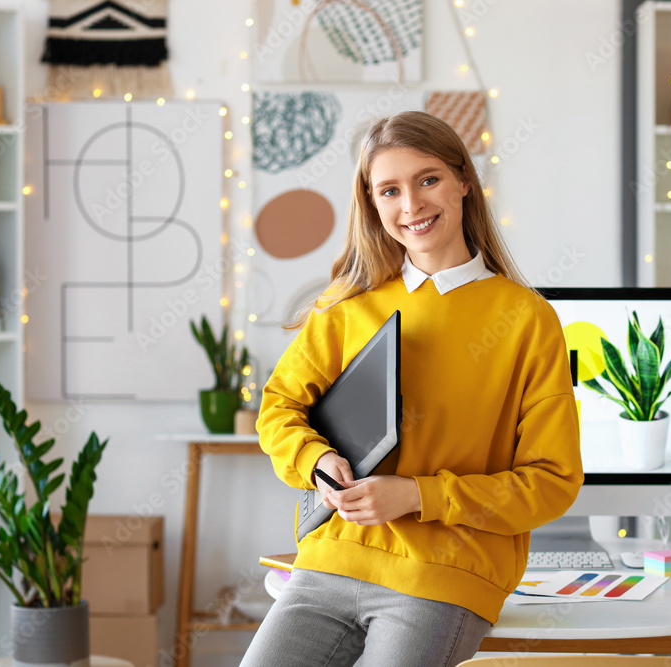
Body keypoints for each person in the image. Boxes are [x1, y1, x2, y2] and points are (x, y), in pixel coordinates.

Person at [243, 111, 583, 667]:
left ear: (463, 181)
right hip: (329, 560)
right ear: (372, 203)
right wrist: (318, 460)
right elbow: (279, 409)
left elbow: (551, 482)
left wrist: (418, 495)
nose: (411, 206)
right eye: (389, 190)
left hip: (446, 576)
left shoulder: (526, 318)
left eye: (428, 180)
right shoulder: (347, 305)